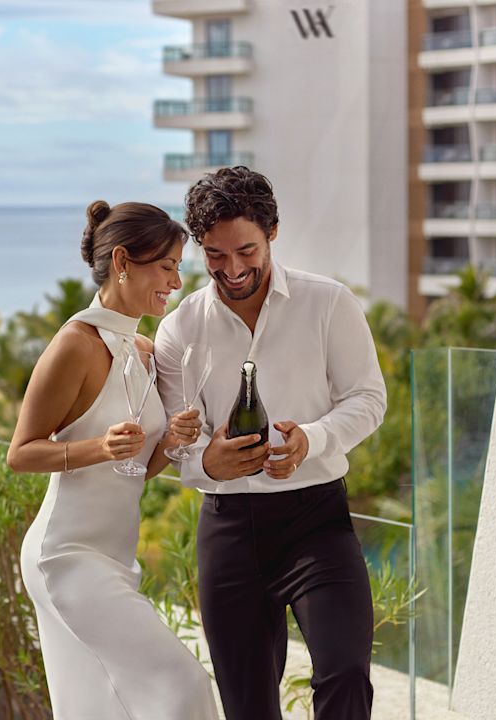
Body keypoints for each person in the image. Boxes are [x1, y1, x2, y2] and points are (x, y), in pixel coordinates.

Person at [154, 166, 387, 720]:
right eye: (215, 255)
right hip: (229, 530)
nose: (232, 269)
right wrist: (206, 461)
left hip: (317, 524)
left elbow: (367, 398)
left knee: (345, 672)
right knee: (247, 705)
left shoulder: (328, 303)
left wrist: (314, 439)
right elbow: (177, 437)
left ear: (273, 232)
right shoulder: (180, 328)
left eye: (246, 251)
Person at [8, 200, 218, 719]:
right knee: (183, 684)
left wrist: (171, 442)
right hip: (66, 555)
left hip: (115, 557)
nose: (175, 282)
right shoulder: (75, 344)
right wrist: (98, 447)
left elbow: (136, 472)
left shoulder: (141, 350)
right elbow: (21, 453)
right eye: (166, 266)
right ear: (123, 261)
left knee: (103, 709)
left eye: (178, 268)